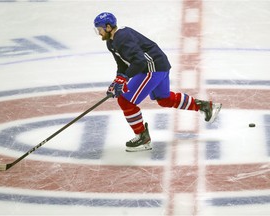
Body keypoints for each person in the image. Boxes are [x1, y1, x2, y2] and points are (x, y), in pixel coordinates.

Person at [93, 12, 222, 152]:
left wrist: (124, 80)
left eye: (99, 29)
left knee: (125, 101)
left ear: (108, 27)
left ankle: (143, 138)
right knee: (164, 99)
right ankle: (206, 107)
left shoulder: (122, 38)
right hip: (159, 65)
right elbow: (123, 65)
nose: (99, 33)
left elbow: (140, 62)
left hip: (152, 68)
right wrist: (117, 80)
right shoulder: (111, 42)